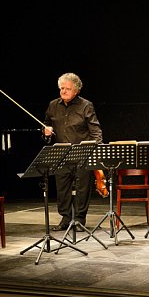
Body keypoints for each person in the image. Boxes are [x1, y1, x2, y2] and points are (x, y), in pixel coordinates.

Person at [43, 72, 103, 231]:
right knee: (62, 187)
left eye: (67, 89)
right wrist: (46, 133)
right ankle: (65, 217)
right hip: (61, 153)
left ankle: (79, 219)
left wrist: (94, 149)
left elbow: (95, 131)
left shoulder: (86, 105)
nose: (63, 91)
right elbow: (46, 126)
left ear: (76, 90)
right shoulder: (53, 105)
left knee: (83, 187)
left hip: (81, 153)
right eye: (61, 88)